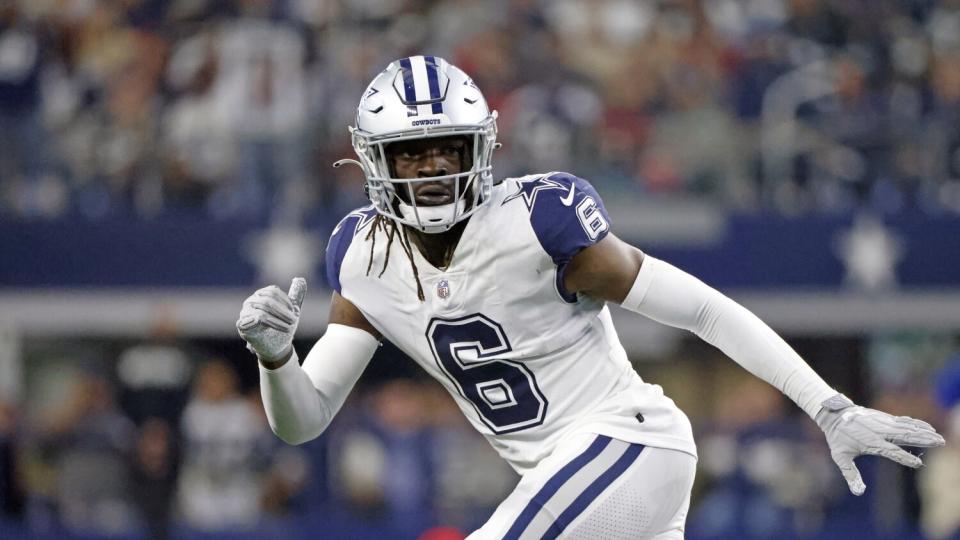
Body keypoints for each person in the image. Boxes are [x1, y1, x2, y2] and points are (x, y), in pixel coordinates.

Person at [237, 56, 944, 539]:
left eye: (448, 148)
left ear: (478, 149)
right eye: (411, 154)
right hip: (571, 484)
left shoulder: (539, 222)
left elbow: (700, 308)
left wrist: (826, 403)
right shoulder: (363, 254)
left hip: (630, 446)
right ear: (373, 161)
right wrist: (276, 359)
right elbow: (303, 422)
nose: (432, 168)